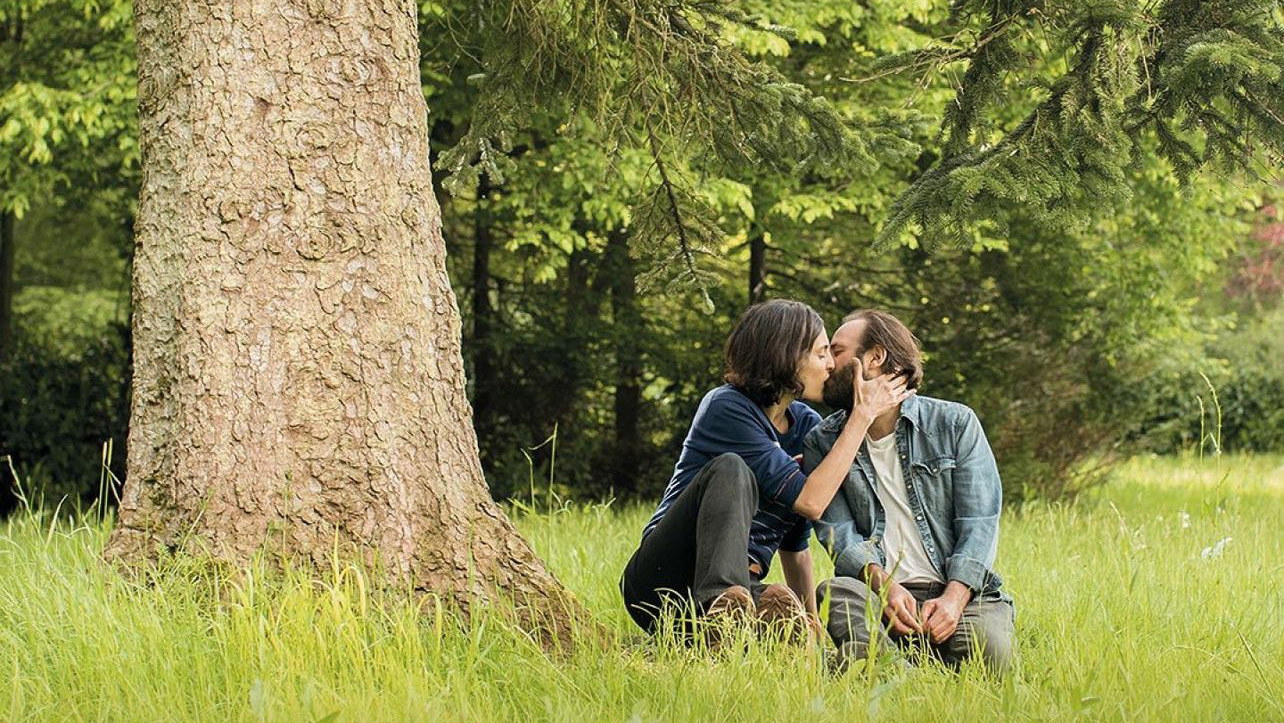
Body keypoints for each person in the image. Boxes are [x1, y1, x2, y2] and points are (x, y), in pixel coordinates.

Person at [620, 299, 911, 641]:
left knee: (782, 606)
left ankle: (739, 620)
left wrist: (812, 622)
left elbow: (795, 543)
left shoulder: (806, 427)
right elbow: (811, 501)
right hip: (662, 582)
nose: (831, 364)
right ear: (787, 357)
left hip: (744, 585)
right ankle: (722, 608)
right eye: (820, 354)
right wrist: (862, 416)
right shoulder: (727, 407)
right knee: (731, 468)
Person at [805, 310, 1015, 673]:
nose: (826, 363)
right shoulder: (822, 441)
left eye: (836, 351)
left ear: (874, 357)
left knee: (989, 655)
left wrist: (953, 598)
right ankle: (898, 673)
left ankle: (886, 664)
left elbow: (979, 521)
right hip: (877, 594)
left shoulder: (954, 423)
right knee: (836, 592)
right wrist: (885, 588)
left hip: (959, 592)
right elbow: (838, 533)